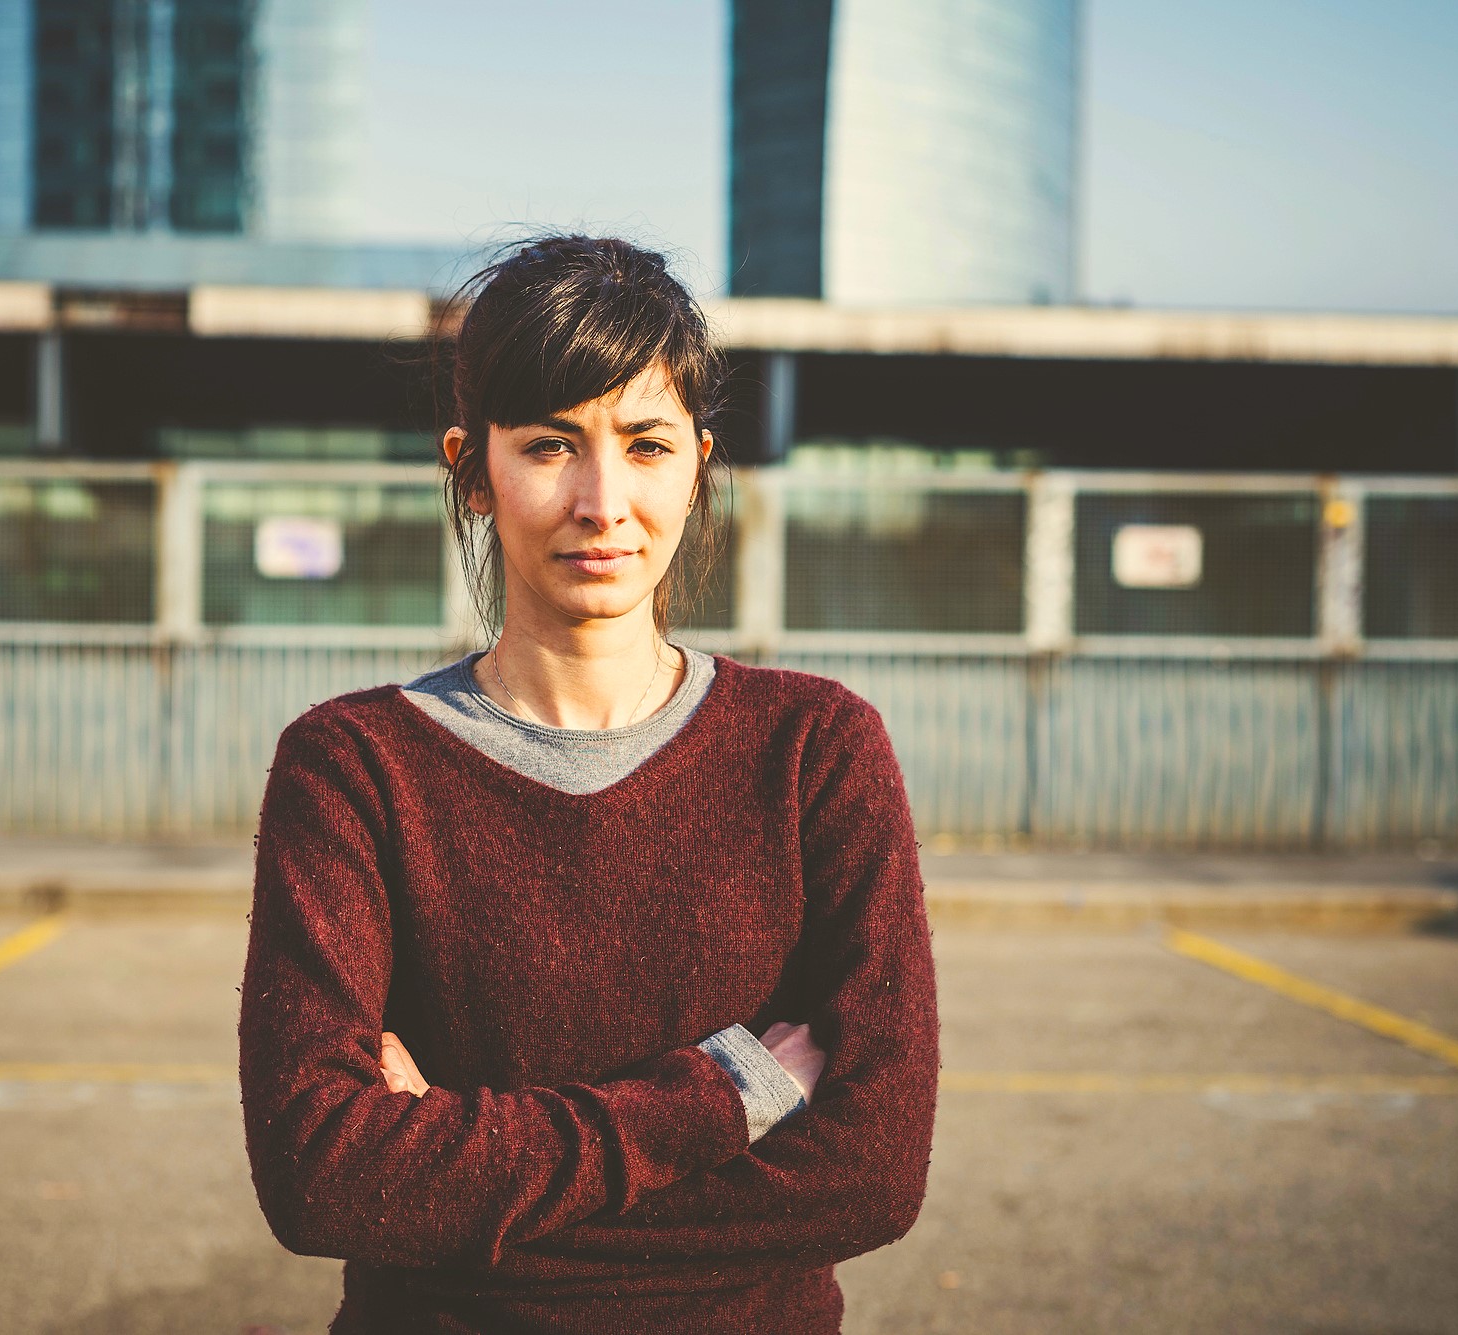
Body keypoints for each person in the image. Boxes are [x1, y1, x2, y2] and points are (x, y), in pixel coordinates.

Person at [239, 235, 939, 1334]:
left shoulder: (813, 753)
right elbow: (324, 1177)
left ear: (697, 464)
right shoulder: (354, 769)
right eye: (551, 444)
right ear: (472, 470)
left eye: (646, 443)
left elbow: (873, 1171)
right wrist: (728, 1094)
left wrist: (459, 1184)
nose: (601, 499)